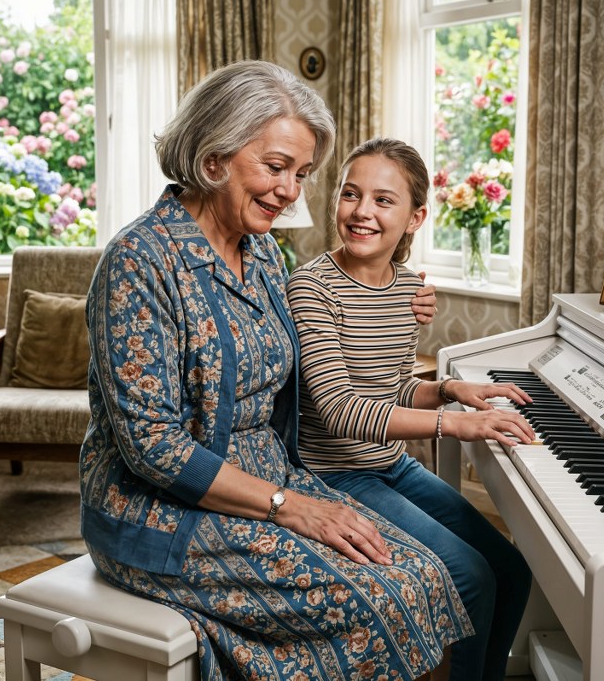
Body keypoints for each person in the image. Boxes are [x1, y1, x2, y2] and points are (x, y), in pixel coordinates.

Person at [80, 61, 470, 680]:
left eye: (304, 174)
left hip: (272, 479)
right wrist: (290, 506)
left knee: (426, 574)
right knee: (378, 600)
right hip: (160, 510)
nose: (291, 192)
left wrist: (399, 300)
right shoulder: (138, 262)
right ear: (213, 159)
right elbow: (153, 449)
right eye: (276, 167)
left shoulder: (262, 252)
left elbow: (322, 340)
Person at [287, 138, 535, 681]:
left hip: (389, 465)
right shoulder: (312, 287)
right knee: (470, 576)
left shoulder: (406, 289)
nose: (361, 212)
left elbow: (394, 388)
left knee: (512, 570)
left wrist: (446, 391)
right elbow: (340, 409)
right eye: (351, 195)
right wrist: (456, 424)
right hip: (334, 474)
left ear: (415, 217)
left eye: (383, 200)